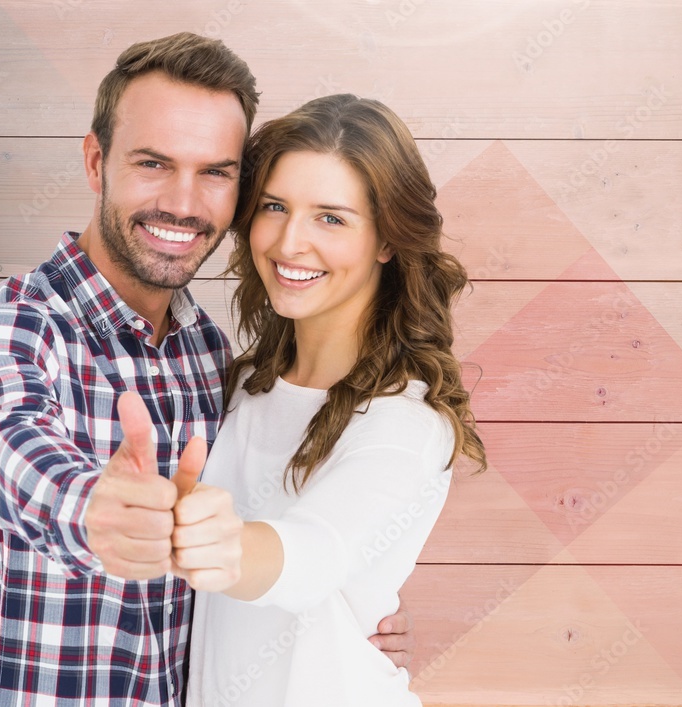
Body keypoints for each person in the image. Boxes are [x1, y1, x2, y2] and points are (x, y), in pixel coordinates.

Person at [0, 33, 412, 707]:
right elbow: (12, 449)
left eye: (215, 172)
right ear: (97, 162)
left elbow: (273, 538)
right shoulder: (11, 327)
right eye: (154, 163)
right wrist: (92, 510)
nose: (185, 204)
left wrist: (339, 621)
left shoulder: (213, 357)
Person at [180, 94, 487, 706]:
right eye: (275, 207)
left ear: (387, 241)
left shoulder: (405, 421)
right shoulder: (240, 387)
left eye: (332, 218)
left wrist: (206, 541)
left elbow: (314, 556)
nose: (291, 243)